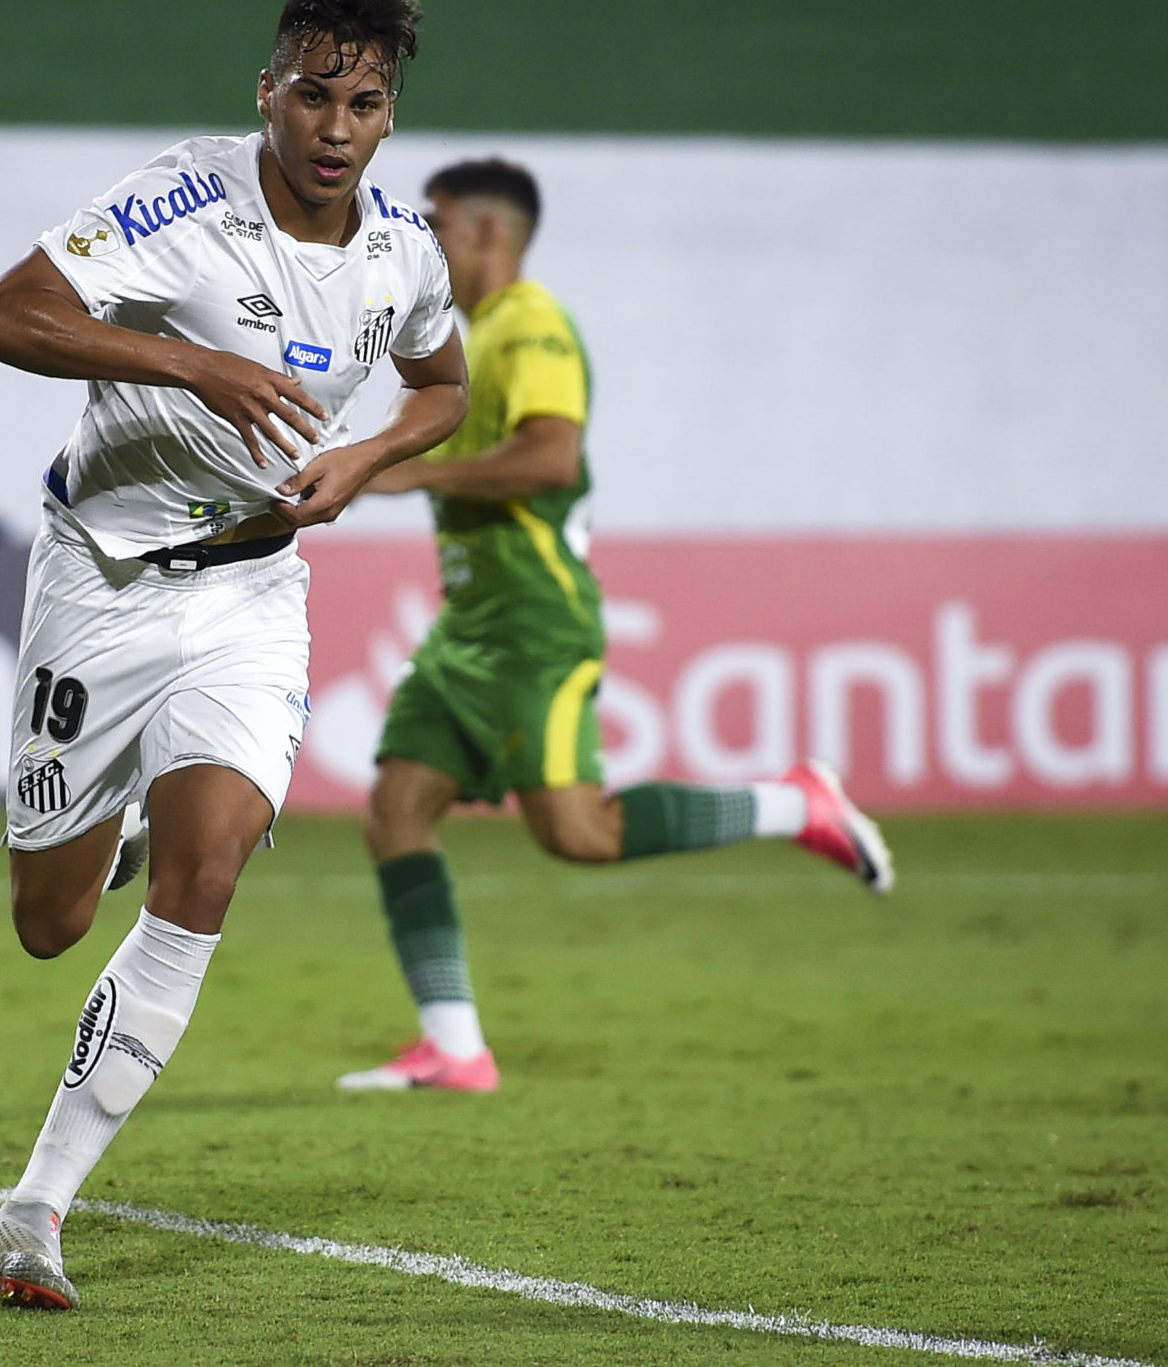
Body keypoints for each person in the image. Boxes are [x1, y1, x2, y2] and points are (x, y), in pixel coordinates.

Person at [0, 0, 468, 1310]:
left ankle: (33, 1209)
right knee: (50, 922)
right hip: (102, 578)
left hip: (250, 593)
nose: (334, 123)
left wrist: (362, 459)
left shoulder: (402, 252)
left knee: (213, 871)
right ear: (267, 89)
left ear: (390, 113)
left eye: (362, 101)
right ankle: (106, 835)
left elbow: (445, 385)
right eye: (312, 91)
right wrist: (190, 361)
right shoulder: (182, 201)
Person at [337, 158, 892, 1095]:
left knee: (578, 832)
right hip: (467, 628)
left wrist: (417, 473)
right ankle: (456, 1046)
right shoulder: (464, 342)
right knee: (395, 810)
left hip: (534, 626)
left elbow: (552, 456)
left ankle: (801, 804)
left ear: (485, 232)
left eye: (434, 223)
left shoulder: (529, 324)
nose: (420, 240)